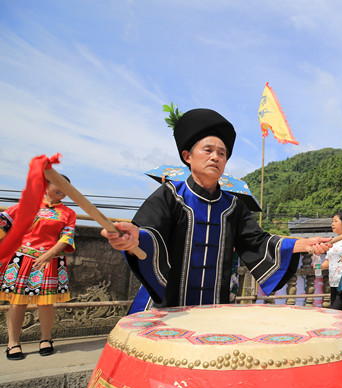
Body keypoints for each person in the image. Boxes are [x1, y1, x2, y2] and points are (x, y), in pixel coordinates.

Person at [102, 108, 330, 313]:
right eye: (208, 150)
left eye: (222, 153)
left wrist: (304, 244)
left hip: (214, 307)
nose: (215, 157)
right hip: (166, 307)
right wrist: (135, 239)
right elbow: (148, 232)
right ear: (187, 156)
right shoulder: (171, 195)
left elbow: (257, 242)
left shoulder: (233, 207)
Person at [1, 175, 76, 359]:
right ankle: (13, 343)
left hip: (50, 260)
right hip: (23, 258)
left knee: (47, 303)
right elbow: (3, 223)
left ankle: (46, 338)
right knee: (18, 302)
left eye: (67, 187)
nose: (63, 190)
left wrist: (49, 254)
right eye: (59, 185)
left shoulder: (68, 213)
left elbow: (67, 237)